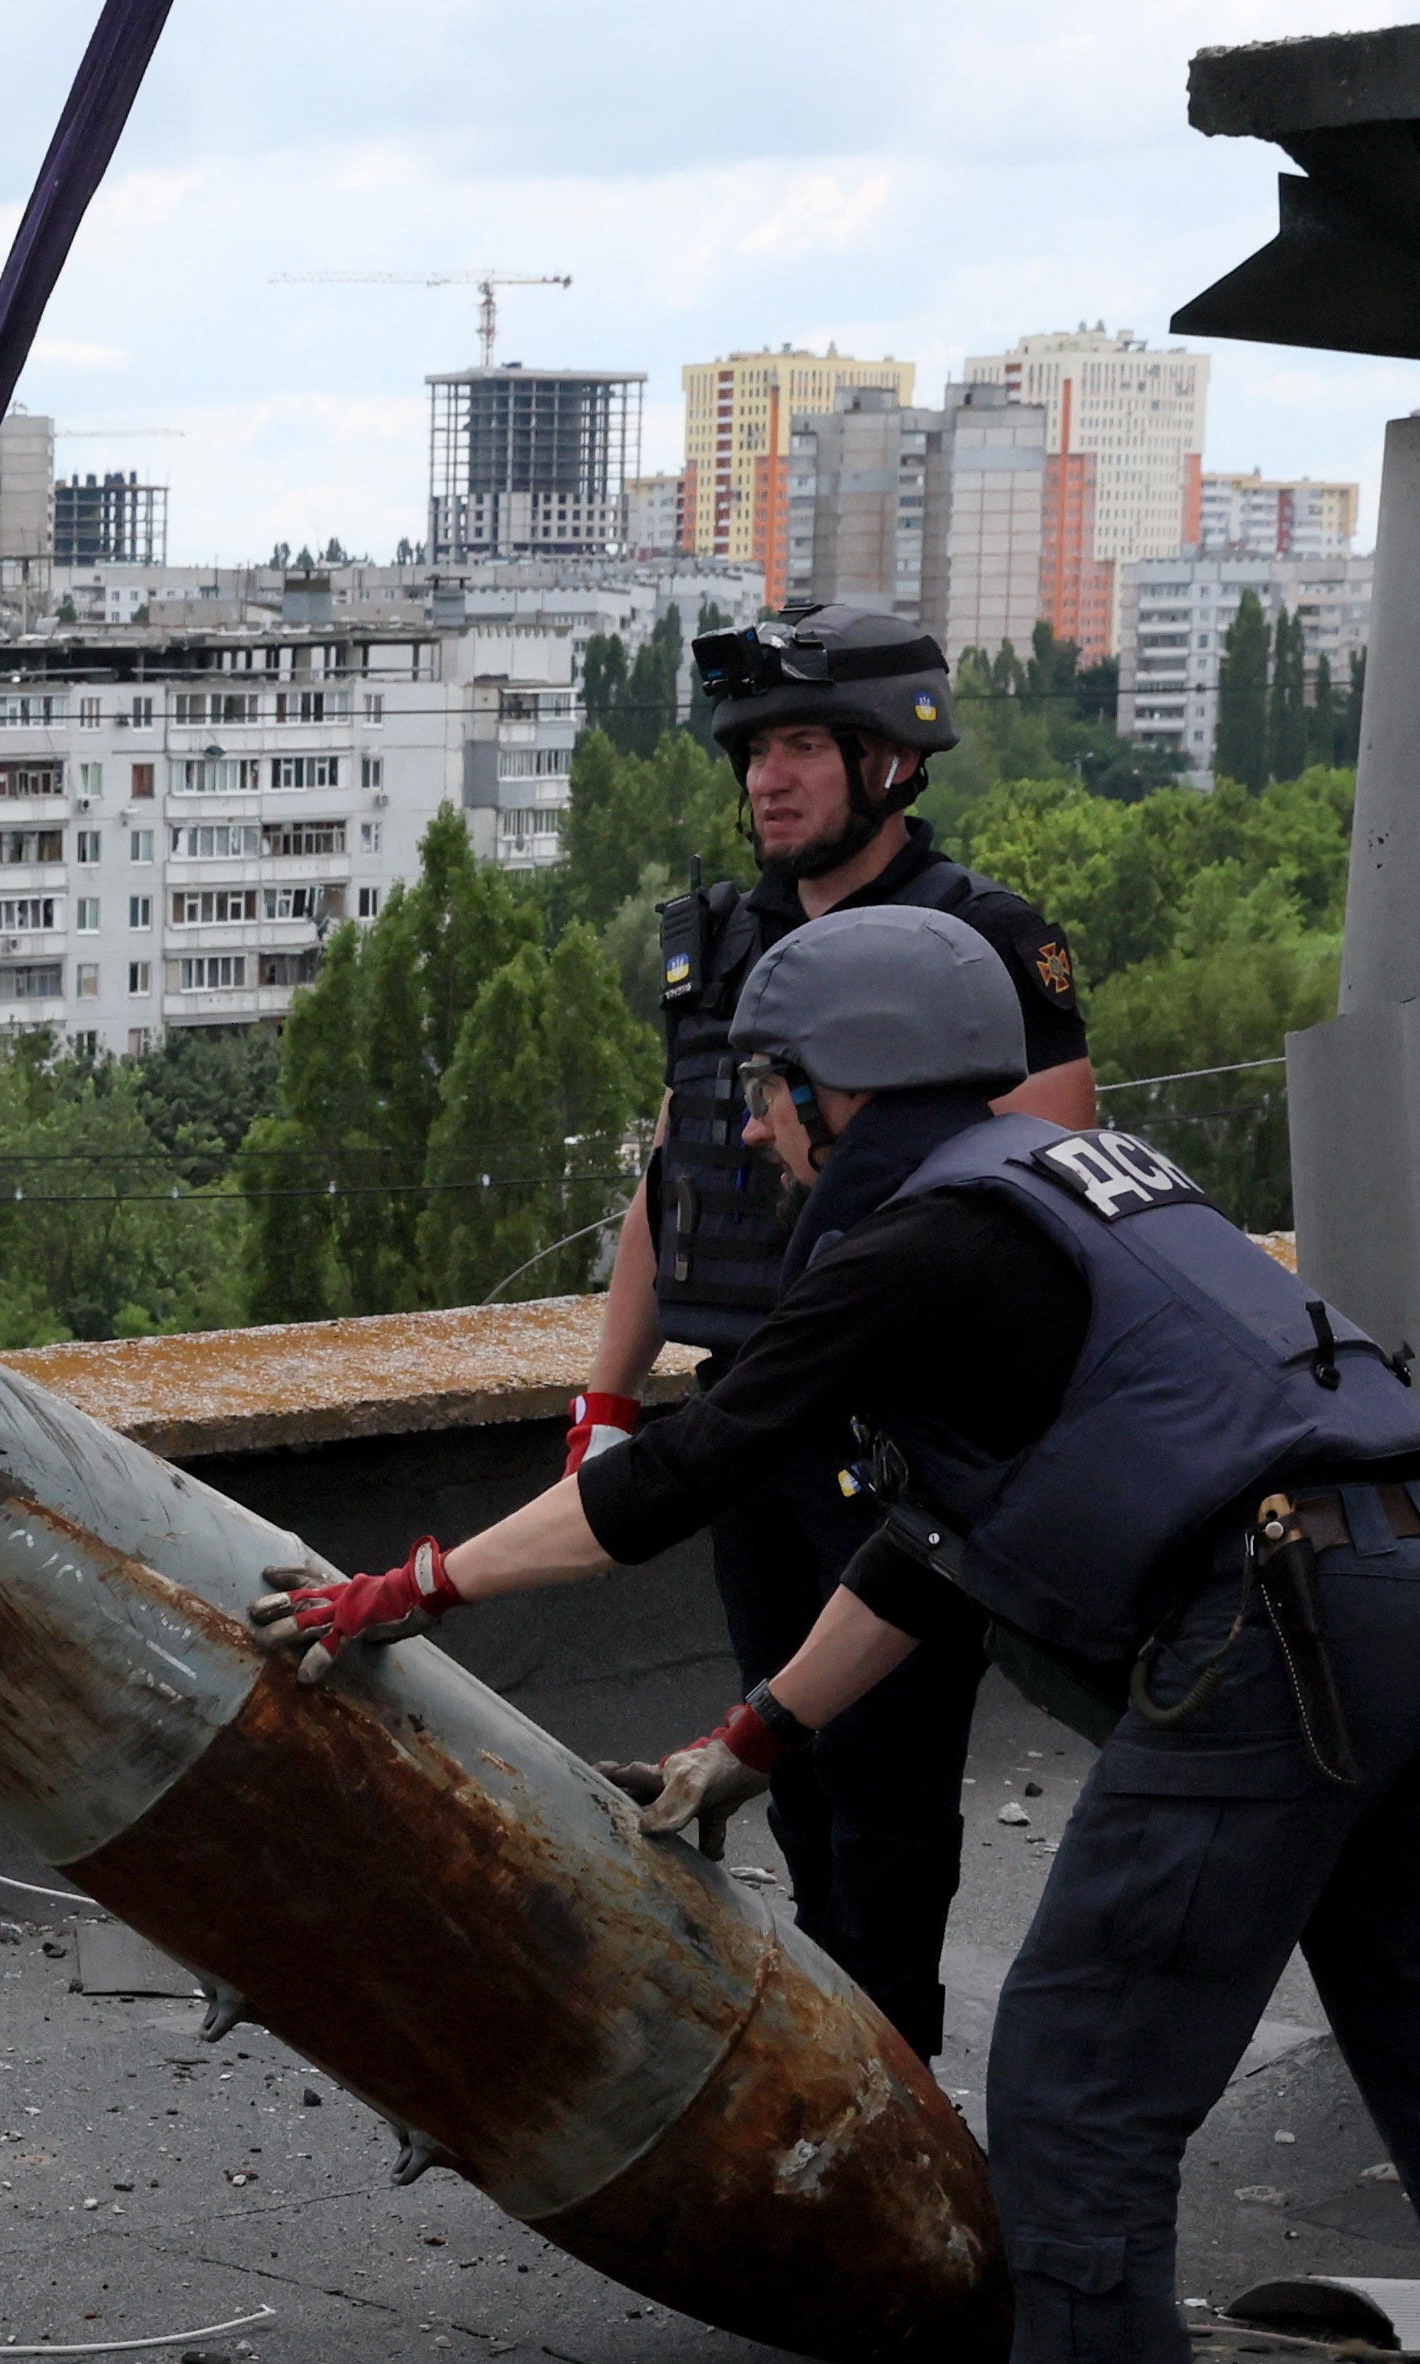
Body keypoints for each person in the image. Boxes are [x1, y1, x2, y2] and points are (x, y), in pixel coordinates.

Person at [255, 906, 1420, 2364]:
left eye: (766, 1094)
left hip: (1275, 1618)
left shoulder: (910, 1248)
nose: (757, 1132)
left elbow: (681, 1472)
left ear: (834, 1090)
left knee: (1078, 2074)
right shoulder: (1081, 1188)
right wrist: (754, 1740)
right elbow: (936, 1543)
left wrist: (408, 1588)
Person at [564, 604, 1096, 2067]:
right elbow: (671, 1181)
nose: (767, 781)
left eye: (802, 746)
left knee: (887, 1779)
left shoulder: (981, 943)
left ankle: (891, 2075)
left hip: (898, 1426)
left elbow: (1038, 1177)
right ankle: (827, 2058)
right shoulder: (716, 945)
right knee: (780, 1765)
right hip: (749, 1412)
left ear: (891, 764)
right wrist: (604, 1403)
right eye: (751, 754)